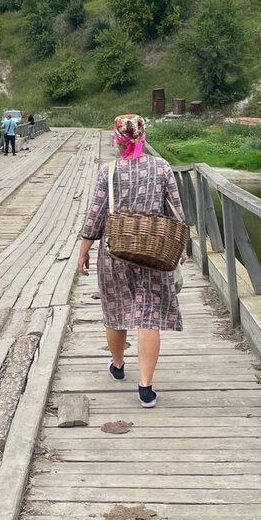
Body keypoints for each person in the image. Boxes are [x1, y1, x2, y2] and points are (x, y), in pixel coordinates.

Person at [76, 114, 186, 409]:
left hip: (115, 253)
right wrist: (181, 245)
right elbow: (175, 210)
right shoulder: (162, 168)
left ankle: (118, 364)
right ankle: (146, 388)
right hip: (155, 251)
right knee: (149, 317)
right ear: (143, 136)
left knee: (116, 311)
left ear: (117, 138)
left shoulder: (107, 172)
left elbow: (95, 215)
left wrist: (84, 250)